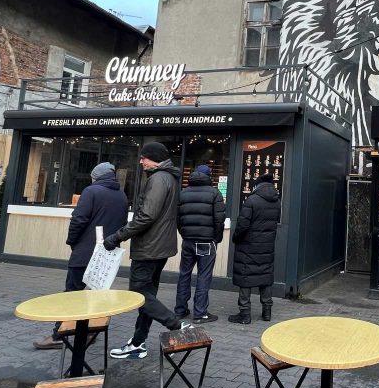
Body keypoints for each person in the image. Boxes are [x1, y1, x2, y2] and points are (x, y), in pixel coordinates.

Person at [34, 162, 130, 350]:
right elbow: (122, 223)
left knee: (72, 294)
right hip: (107, 254)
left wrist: (72, 241)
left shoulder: (91, 191)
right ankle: (89, 331)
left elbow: (79, 219)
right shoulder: (122, 195)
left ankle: (59, 335)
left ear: (96, 177)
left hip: (85, 251)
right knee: (97, 294)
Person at [104, 142, 184, 359]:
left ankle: (176, 325)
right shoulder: (169, 178)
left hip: (150, 247)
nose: (141, 161)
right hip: (160, 247)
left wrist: (117, 236)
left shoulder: (159, 179)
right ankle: (138, 342)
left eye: (144, 158)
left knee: (139, 295)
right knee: (148, 297)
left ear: (154, 159)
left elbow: (146, 216)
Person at [175, 164, 226, 324]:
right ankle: (200, 313)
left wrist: (185, 234)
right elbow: (219, 220)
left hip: (188, 241)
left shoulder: (183, 193)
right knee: (204, 276)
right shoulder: (214, 193)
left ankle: (180, 310)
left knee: (184, 274)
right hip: (206, 242)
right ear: (209, 176)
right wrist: (216, 238)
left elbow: (178, 218)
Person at [228, 172, 280, 325]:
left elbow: (242, 225)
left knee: (246, 277)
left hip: (248, 246)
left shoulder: (252, 200)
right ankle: (267, 312)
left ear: (257, 185)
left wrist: (236, 238)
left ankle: (245, 314)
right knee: (265, 277)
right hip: (267, 246)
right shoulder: (277, 201)